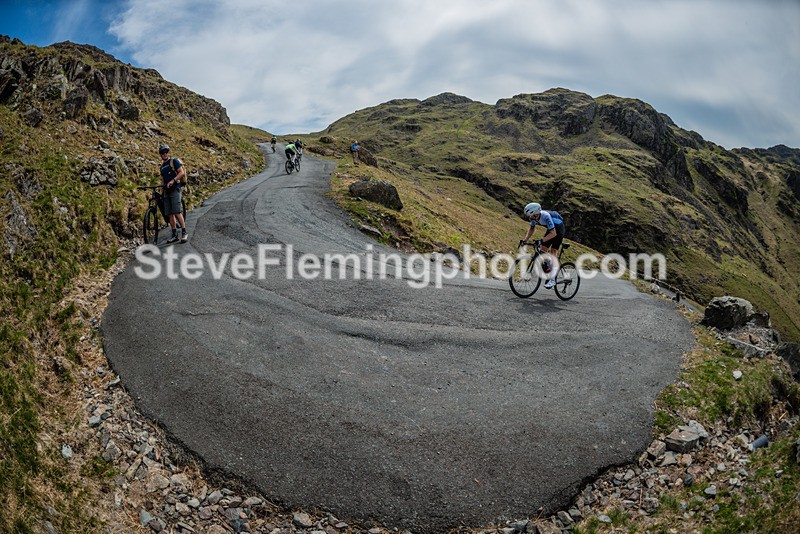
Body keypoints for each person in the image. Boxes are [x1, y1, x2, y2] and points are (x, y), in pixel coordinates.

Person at [520, 202, 565, 289]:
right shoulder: (534, 217)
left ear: (536, 214)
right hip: (551, 229)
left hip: (558, 229)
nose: (530, 218)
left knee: (553, 252)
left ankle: (553, 279)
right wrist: (525, 240)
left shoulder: (545, 216)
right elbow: (531, 229)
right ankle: (550, 266)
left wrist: (541, 240)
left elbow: (553, 233)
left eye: (531, 215)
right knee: (542, 249)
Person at [158, 144, 188, 244]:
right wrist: (161, 188)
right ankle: (174, 234)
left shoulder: (173, 161)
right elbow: (162, 180)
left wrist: (173, 181)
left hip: (175, 188)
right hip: (166, 191)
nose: (164, 154)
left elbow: (181, 172)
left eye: (166, 152)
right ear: (161, 155)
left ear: (168, 153)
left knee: (177, 211)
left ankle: (184, 232)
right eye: (162, 153)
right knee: (170, 214)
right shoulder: (162, 167)